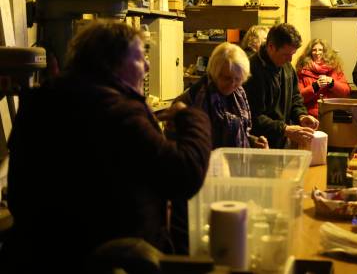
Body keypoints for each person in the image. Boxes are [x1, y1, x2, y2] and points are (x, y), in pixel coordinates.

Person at [0, 21, 211, 272]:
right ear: (111, 63)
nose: (148, 65)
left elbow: (19, 194)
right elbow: (183, 173)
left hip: (41, 257)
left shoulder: (39, 102)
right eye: (140, 57)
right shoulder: (117, 112)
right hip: (111, 263)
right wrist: (192, 117)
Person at [174, 42, 268, 149]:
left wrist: (252, 141)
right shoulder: (198, 98)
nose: (232, 84)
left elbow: (237, 131)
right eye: (227, 78)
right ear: (215, 73)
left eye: (238, 79)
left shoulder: (239, 93)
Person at [243, 23, 319, 149]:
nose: (290, 59)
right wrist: (284, 129)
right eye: (286, 54)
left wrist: (301, 116)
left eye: (292, 54)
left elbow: (295, 98)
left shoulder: (287, 67)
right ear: (271, 47)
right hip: (259, 144)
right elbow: (253, 116)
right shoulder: (251, 71)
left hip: (281, 142)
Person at [295, 38, 351, 118]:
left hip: (332, 114)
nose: (317, 53)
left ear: (325, 52)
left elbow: (346, 92)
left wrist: (332, 83)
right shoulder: (302, 71)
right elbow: (299, 98)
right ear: (310, 53)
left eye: (320, 50)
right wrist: (315, 86)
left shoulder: (335, 67)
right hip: (311, 116)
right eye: (314, 50)